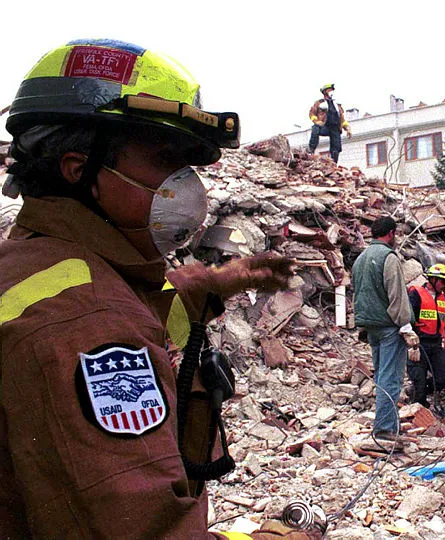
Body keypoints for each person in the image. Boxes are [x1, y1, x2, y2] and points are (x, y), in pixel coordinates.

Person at [0, 40, 322, 539]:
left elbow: (138, 305)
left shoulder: (35, 265)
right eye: (162, 159)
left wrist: (212, 286)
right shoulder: (87, 323)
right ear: (77, 166)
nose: (186, 186)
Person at [352, 216, 419, 450]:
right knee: (390, 379)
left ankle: (388, 424)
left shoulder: (360, 259)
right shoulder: (388, 257)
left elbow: (359, 294)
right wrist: (406, 325)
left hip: (371, 326)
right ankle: (385, 430)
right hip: (389, 326)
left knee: (382, 375)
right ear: (390, 234)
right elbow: (397, 295)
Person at [407, 263, 445, 410]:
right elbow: (407, 318)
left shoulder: (441, 298)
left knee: (444, 378)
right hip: (419, 343)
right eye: (442, 281)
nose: (444, 285)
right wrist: (411, 342)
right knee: (418, 378)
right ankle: (418, 405)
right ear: (432, 280)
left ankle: (416, 392)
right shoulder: (416, 294)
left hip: (435, 343)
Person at [308, 83, 352, 164]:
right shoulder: (319, 103)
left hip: (335, 127)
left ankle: (334, 163)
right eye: (329, 90)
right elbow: (311, 114)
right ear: (325, 92)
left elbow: (342, 119)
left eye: (332, 90)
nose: (331, 92)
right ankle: (311, 150)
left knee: (336, 146)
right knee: (315, 128)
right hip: (324, 126)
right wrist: (317, 121)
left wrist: (347, 128)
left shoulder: (337, 105)